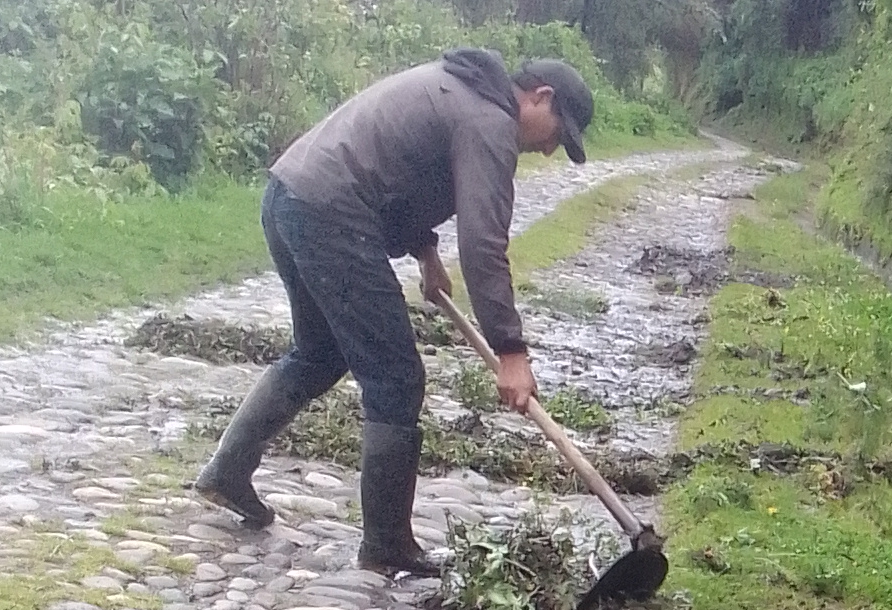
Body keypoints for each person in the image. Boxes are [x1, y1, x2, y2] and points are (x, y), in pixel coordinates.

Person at [195, 47, 594, 573]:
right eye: (557, 135)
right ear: (541, 97)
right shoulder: (489, 120)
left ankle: (227, 471)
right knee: (396, 378)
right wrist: (511, 350)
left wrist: (425, 252)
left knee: (319, 354)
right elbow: (483, 245)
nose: (548, 150)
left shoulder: (461, 89)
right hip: (330, 214)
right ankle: (387, 545)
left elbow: (401, 172)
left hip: (289, 196)